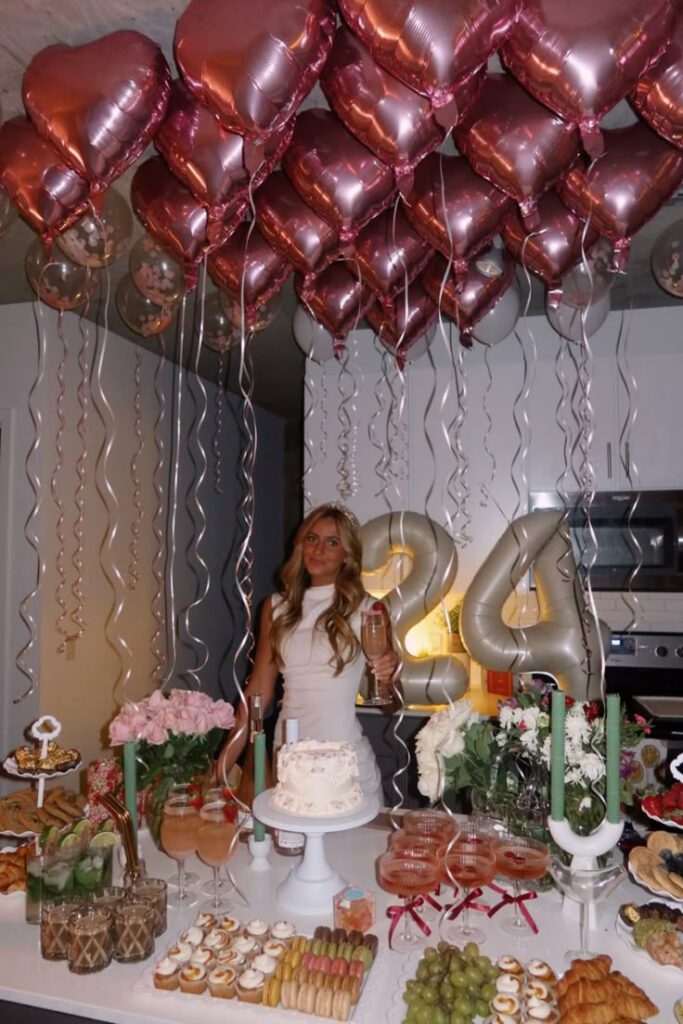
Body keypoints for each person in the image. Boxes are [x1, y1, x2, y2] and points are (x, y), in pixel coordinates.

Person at [217, 502, 400, 802]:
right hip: (288, 759)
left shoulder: (368, 610)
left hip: (344, 764)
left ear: (347, 556)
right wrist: (220, 768)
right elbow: (256, 695)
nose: (318, 550)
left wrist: (390, 676)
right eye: (312, 539)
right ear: (300, 544)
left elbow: (391, 705)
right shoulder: (277, 607)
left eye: (332, 543)